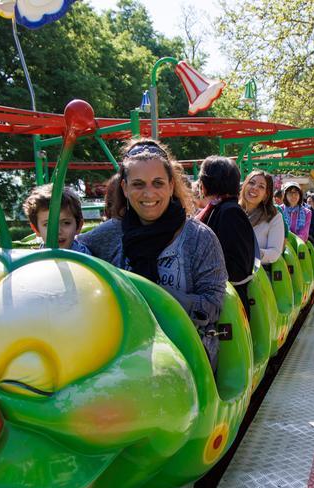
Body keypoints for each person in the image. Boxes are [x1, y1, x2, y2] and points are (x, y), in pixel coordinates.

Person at [79, 138, 228, 369]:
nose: (149, 194)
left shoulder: (200, 238)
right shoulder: (110, 233)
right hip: (124, 352)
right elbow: (74, 258)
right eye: (138, 184)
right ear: (125, 188)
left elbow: (213, 305)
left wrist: (155, 296)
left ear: (171, 185)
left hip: (186, 353)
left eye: (158, 183)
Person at [196, 156, 257, 314]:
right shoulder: (221, 208)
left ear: (206, 183)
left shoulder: (229, 212)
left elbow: (237, 267)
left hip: (227, 305)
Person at [22, 183, 89, 254]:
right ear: (36, 229)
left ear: (78, 226)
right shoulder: (37, 257)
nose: (57, 231)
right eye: (48, 225)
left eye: (66, 223)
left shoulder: (84, 257)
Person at [240, 170, 285, 265]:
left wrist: (252, 254)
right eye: (251, 183)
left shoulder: (274, 217)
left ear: (265, 195)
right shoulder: (231, 211)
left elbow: (275, 252)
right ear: (244, 186)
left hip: (258, 270)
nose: (255, 188)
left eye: (261, 186)